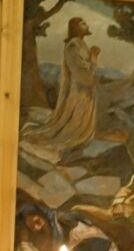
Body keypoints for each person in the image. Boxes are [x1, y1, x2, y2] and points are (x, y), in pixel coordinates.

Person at [21, 17, 100, 163]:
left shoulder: (81, 44)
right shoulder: (73, 46)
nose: (86, 24)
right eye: (82, 23)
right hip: (79, 93)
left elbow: (87, 71)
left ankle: (78, 145)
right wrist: (94, 57)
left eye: (85, 22)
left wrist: (92, 59)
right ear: (75, 27)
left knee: (82, 128)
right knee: (72, 129)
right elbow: (83, 74)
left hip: (86, 92)